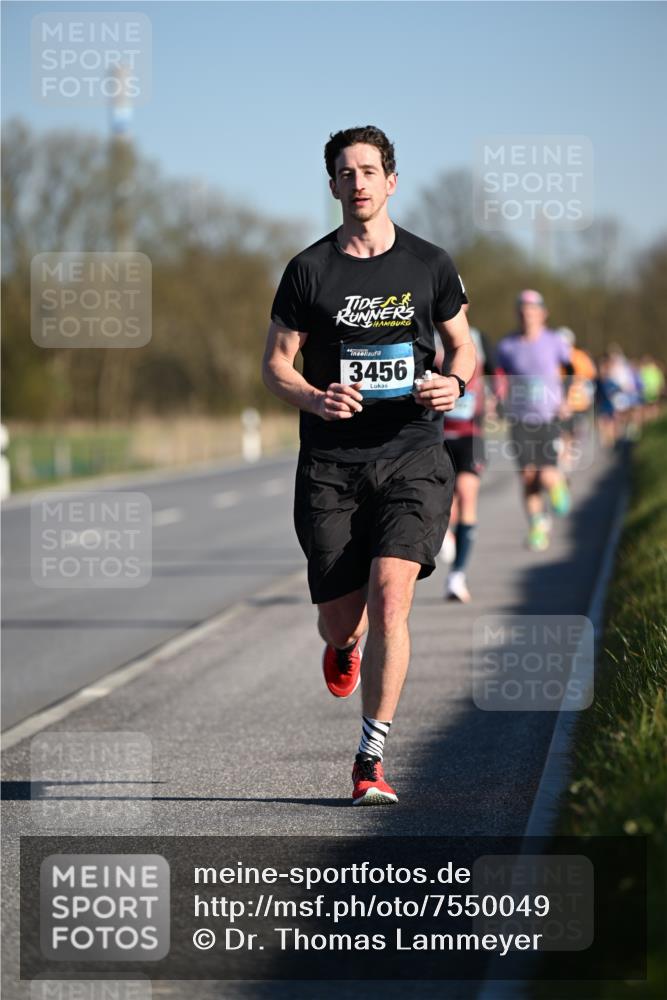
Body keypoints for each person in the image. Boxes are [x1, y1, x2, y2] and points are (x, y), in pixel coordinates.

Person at [262, 125, 475, 804]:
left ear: (390, 181)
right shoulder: (308, 270)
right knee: (340, 620)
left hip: (412, 451)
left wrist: (456, 384)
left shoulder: (429, 264)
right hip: (330, 463)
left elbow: (461, 347)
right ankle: (344, 644)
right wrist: (312, 394)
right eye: (344, 173)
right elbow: (273, 365)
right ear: (331, 186)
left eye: (368, 171)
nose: (357, 183)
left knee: (392, 597)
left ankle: (370, 758)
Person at [495, 290, 573, 552]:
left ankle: (559, 484)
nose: (527, 315)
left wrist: (568, 399)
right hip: (519, 419)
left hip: (548, 416)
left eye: (532, 310)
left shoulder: (555, 342)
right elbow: (499, 377)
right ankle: (537, 528)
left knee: (547, 475)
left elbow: (574, 370)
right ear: (518, 314)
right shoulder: (507, 346)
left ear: (543, 313)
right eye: (523, 311)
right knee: (528, 477)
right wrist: (497, 400)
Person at [436, 289, 496, 602]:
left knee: (467, 495)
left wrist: (496, 398)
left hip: (472, 433)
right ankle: (444, 534)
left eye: (460, 299)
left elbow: (497, 374)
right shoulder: (426, 335)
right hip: (438, 433)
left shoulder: (479, 338)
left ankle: (457, 577)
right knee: (446, 501)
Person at [556, 327, 597, 476]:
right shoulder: (559, 356)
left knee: (571, 432)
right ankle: (565, 460)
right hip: (566, 402)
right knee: (565, 432)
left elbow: (590, 373)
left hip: (577, 402)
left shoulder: (578, 356)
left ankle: (567, 458)